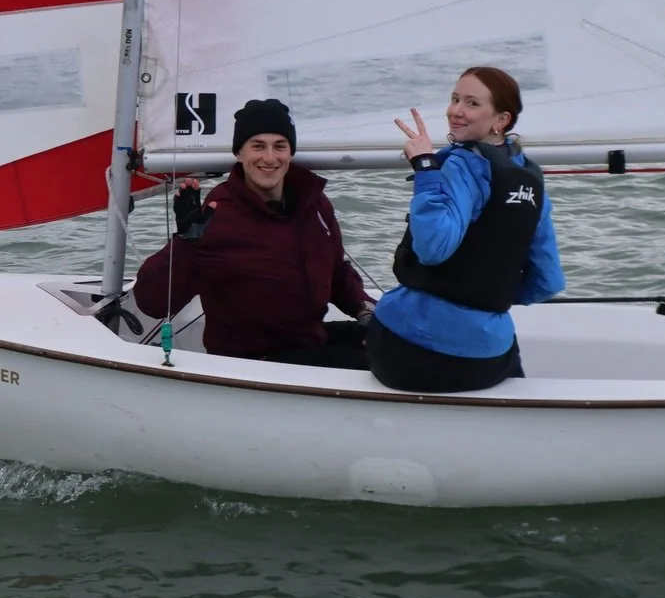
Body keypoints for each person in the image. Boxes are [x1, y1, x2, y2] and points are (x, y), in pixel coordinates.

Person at [132, 98, 374, 368]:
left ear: (290, 152)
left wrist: (366, 311)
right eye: (257, 146)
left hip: (309, 338)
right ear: (239, 153)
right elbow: (151, 302)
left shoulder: (313, 204)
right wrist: (185, 242)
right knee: (379, 366)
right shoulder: (216, 217)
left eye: (279, 146)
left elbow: (336, 273)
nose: (270, 158)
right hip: (254, 359)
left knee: (405, 342)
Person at [365, 66, 565, 392]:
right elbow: (547, 282)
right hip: (487, 356)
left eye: (472, 104)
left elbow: (432, 248)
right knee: (507, 355)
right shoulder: (530, 179)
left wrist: (426, 166)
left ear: (501, 119)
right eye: (455, 99)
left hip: (415, 354)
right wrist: (485, 297)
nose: (455, 111)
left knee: (355, 335)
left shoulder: (461, 164)